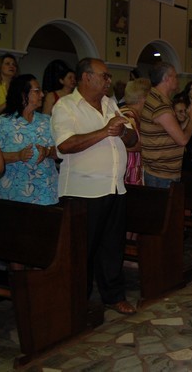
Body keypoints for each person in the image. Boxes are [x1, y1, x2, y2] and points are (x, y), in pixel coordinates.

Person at [51, 57, 138, 315]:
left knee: (112, 246)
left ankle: (113, 296)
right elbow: (64, 145)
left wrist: (122, 132)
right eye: (104, 75)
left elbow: (132, 139)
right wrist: (105, 131)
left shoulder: (110, 104)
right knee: (82, 252)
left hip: (114, 187)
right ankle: (79, 301)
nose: (108, 80)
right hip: (82, 191)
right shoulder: (66, 107)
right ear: (86, 77)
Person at [140, 62, 192, 188]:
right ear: (167, 79)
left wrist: (188, 118)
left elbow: (172, 132)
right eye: (175, 76)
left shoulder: (155, 98)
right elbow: (182, 140)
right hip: (161, 175)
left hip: (157, 172)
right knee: (164, 208)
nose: (177, 80)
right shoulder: (160, 106)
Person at [0, 74, 58, 205]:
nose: (42, 95)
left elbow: (60, 151)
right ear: (23, 94)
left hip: (46, 193)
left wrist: (48, 151)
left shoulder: (47, 121)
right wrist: (18, 155)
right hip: (14, 194)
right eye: (37, 91)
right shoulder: (3, 123)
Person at [120, 78, 151, 185]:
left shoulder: (137, 116)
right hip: (126, 177)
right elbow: (123, 145)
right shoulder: (127, 116)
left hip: (134, 173)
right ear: (143, 98)